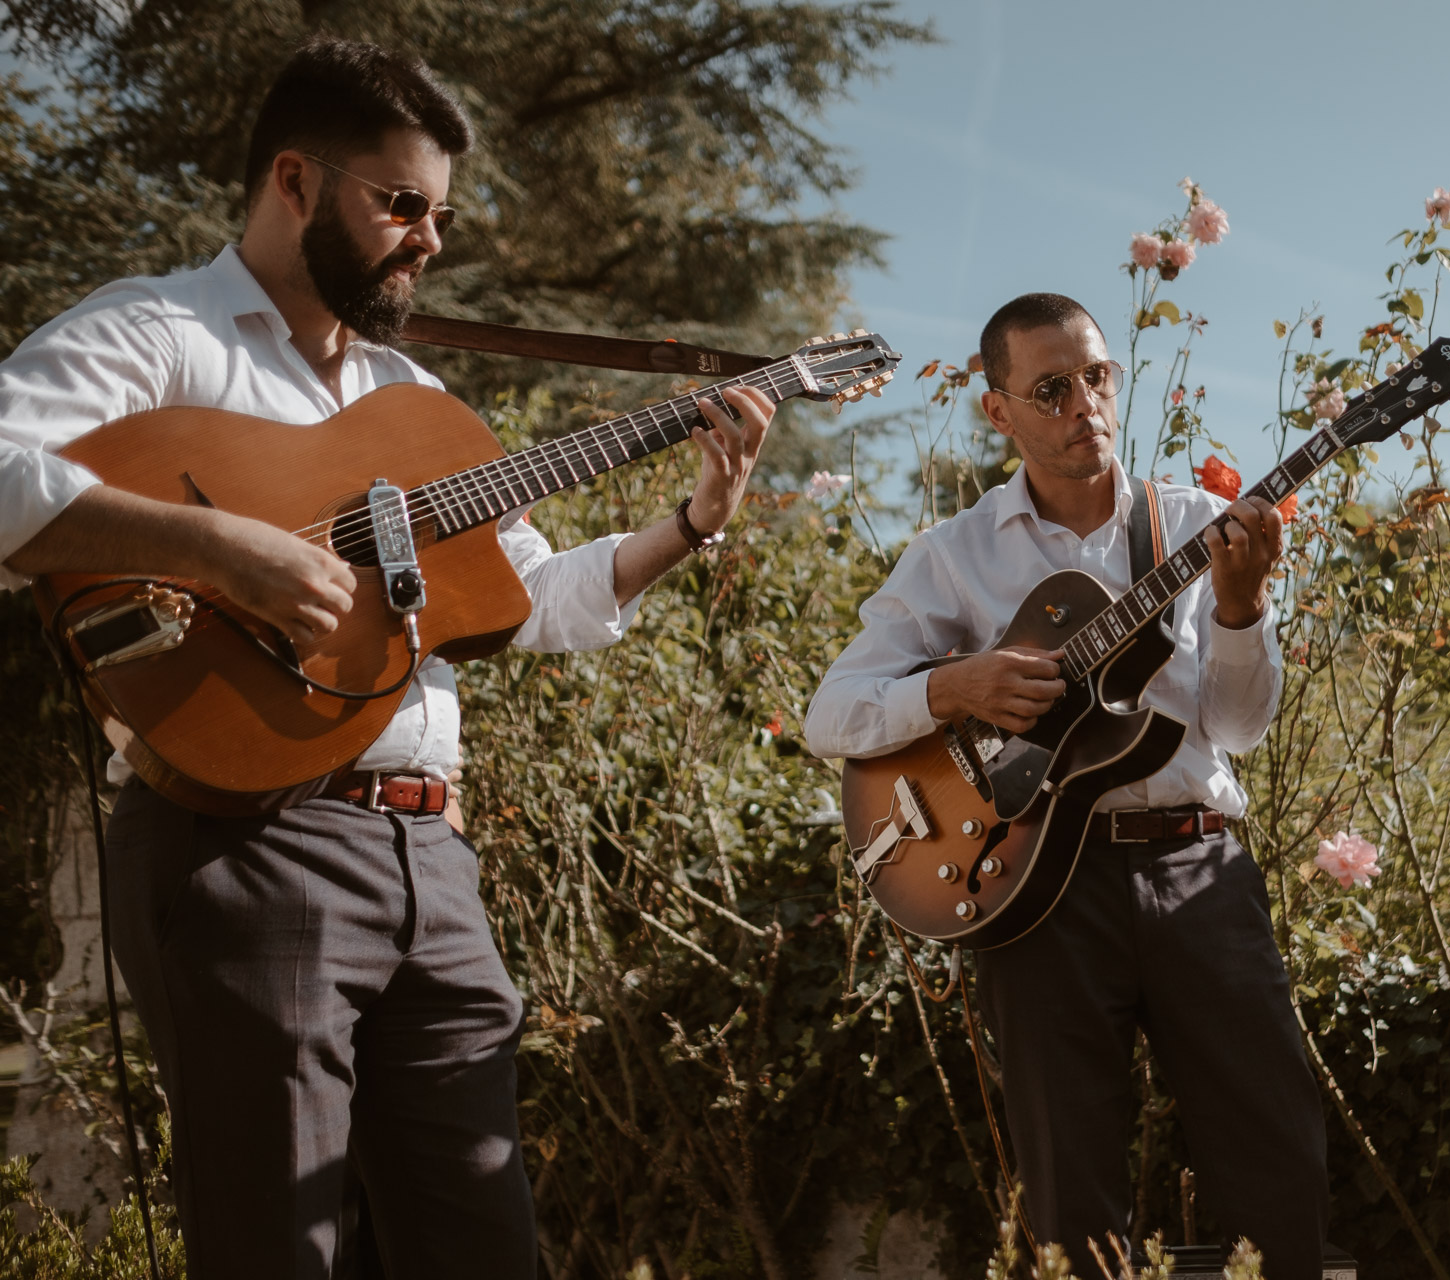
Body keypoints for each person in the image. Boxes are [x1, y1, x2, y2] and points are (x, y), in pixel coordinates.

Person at [0, 38, 776, 1279]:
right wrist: (217, 545)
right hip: (247, 850)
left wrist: (689, 523)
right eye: (401, 204)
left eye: (441, 216)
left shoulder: (410, 397)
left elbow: (524, 598)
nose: (428, 240)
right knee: (279, 1254)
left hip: (433, 866)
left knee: (481, 1250)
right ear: (294, 182)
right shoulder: (157, 334)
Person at [805, 292, 1328, 1278]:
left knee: (1276, 1158)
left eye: (1096, 376)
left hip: (1197, 869)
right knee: (1070, 1193)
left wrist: (1241, 605)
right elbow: (832, 712)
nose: (1083, 402)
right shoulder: (952, 557)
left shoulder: (1195, 523)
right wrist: (949, 685)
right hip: (1035, 889)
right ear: (997, 411)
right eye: (1050, 387)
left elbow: (1240, 727)